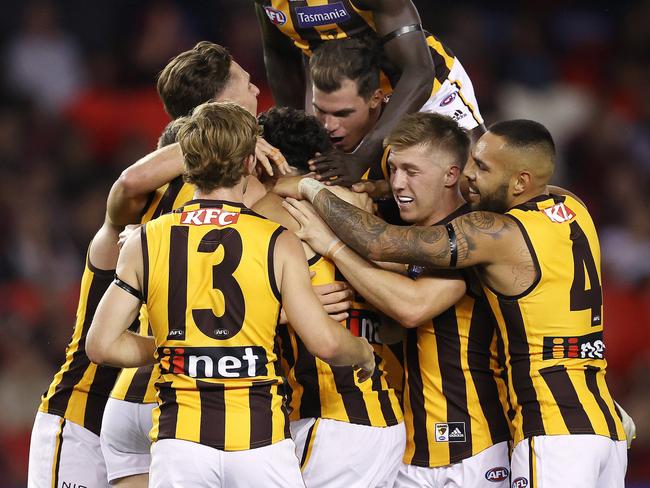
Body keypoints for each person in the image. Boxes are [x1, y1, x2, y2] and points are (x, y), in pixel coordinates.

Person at [284, 119, 628, 487]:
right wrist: (392, 186)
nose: (469, 175)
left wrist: (313, 195)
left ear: (520, 182)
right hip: (597, 420)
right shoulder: (571, 205)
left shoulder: (493, 234)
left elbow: (384, 247)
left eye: (481, 167)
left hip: (546, 429)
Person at [86, 101, 375, 487]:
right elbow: (324, 341)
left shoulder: (146, 239)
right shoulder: (277, 240)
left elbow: (101, 346)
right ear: (248, 164)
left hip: (180, 442)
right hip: (260, 441)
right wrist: (362, 351)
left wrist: (178, 349)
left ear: (187, 164)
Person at [284, 113, 512, 487]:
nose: (398, 183)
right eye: (393, 169)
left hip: (476, 447)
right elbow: (387, 280)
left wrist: (334, 246)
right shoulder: (411, 239)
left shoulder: (473, 236)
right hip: (411, 450)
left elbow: (411, 308)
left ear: (451, 175)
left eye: (412, 171)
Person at [27, 122, 189, 488]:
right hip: (80, 417)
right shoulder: (118, 235)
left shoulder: (181, 244)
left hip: (139, 427)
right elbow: (130, 183)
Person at [258, 107, 405, 488]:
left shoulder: (270, 213)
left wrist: (288, 311)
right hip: (382, 414)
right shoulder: (361, 204)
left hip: (328, 418)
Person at [255, 0, 484, 185]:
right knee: (361, 190)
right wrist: (293, 135)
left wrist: (361, 157)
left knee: (477, 176)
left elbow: (418, 72)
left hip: (416, 83)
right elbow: (279, 54)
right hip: (345, 99)